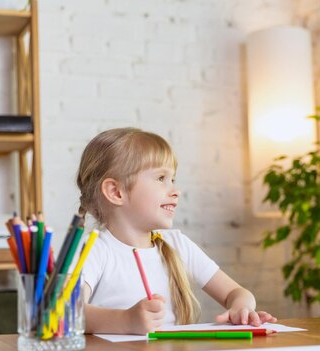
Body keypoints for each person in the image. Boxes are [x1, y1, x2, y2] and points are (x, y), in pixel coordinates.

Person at [77, 127, 277, 334]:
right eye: (161, 178)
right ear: (116, 192)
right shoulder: (95, 249)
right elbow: (68, 311)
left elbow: (236, 292)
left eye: (173, 180)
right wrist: (126, 321)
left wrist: (241, 307)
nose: (175, 191)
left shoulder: (177, 244)